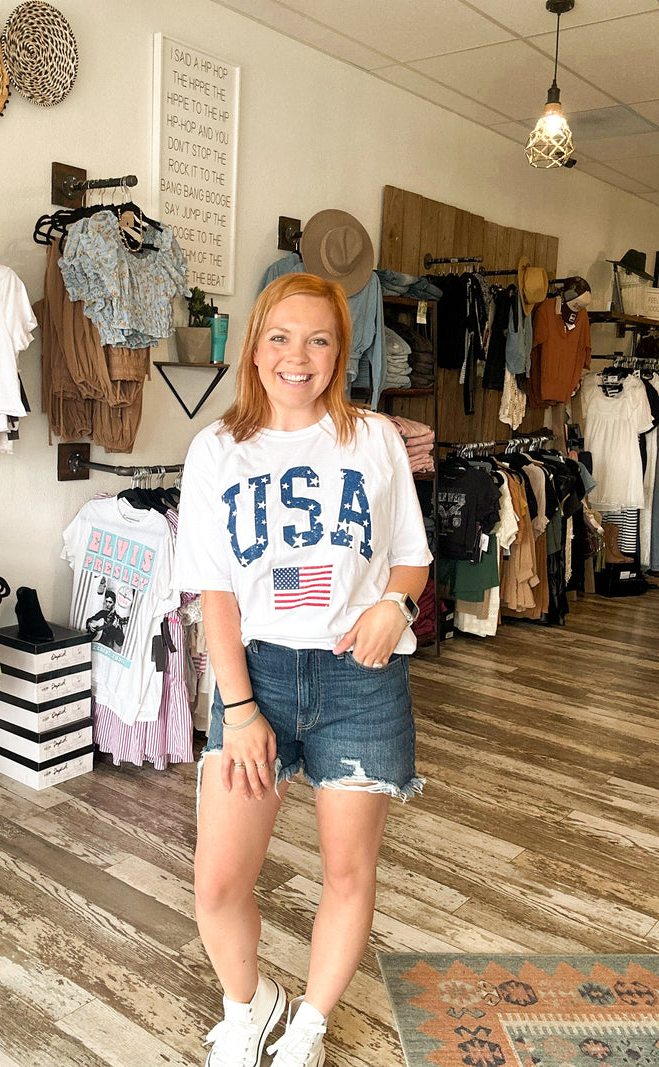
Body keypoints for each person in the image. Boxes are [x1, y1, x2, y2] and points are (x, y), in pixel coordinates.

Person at [173, 273, 431, 1067]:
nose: (298, 355)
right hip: (259, 679)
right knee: (217, 884)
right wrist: (241, 709)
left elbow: (411, 560)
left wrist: (396, 605)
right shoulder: (217, 449)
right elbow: (215, 594)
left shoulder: (374, 440)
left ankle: (310, 1026)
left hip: (361, 679)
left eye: (319, 338)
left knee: (347, 872)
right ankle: (250, 1008)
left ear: (340, 352)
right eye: (281, 336)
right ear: (254, 345)